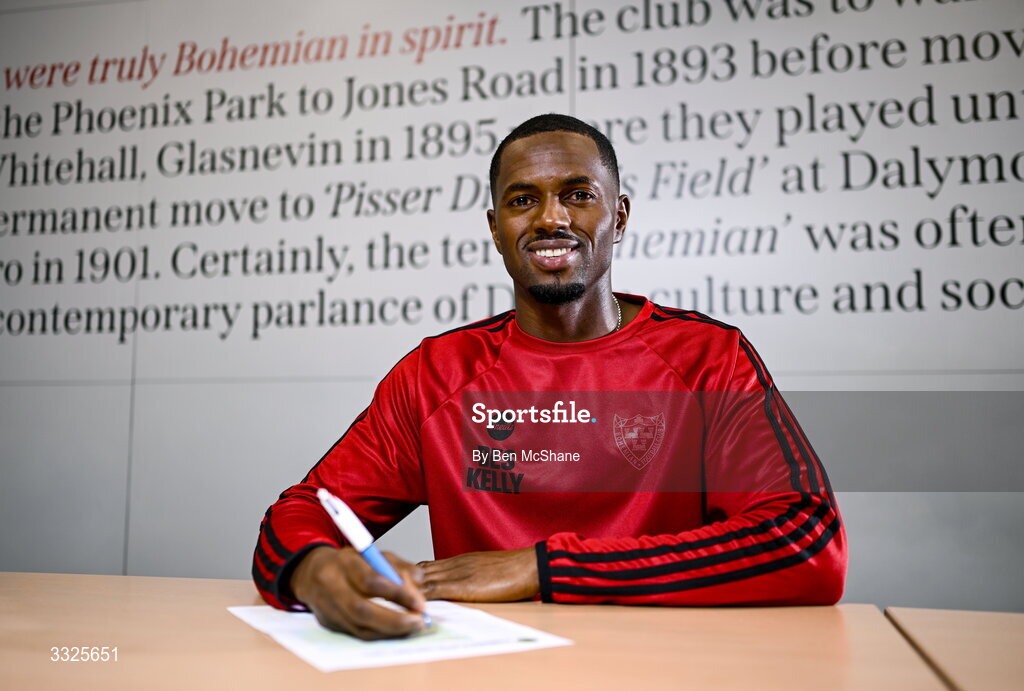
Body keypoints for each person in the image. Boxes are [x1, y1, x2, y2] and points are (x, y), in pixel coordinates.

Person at [252, 113, 846, 640]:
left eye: (578, 194)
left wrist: (542, 569)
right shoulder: (436, 375)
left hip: (663, 669)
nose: (550, 218)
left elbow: (806, 542)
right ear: (495, 228)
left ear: (619, 216)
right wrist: (313, 569)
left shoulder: (708, 358)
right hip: (487, 671)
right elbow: (306, 510)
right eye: (522, 200)